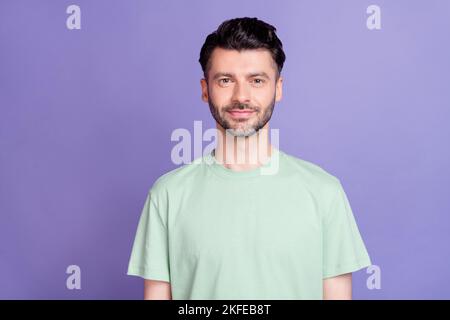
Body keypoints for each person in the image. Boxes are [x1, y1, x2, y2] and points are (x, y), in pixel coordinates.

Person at [127, 17, 371, 300]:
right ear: (205, 89)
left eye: (256, 80)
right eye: (226, 80)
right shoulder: (167, 195)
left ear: (278, 88)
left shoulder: (325, 193)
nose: (241, 96)